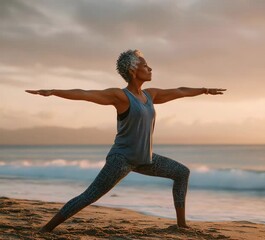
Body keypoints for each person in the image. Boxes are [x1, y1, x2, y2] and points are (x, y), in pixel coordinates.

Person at [25, 49, 226, 232]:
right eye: (145, 65)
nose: (150, 68)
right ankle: (46, 228)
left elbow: (179, 91)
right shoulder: (120, 96)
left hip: (145, 159)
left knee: (182, 173)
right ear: (132, 70)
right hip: (121, 159)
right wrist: (53, 92)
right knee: (89, 196)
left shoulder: (150, 95)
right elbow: (86, 94)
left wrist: (204, 90)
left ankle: (181, 225)